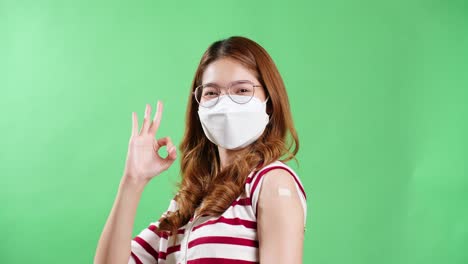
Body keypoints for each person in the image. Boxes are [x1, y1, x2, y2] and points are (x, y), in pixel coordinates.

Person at [94, 36, 307, 264]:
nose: (225, 105)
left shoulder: (273, 183)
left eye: (242, 90)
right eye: (212, 93)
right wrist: (132, 180)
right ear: (198, 105)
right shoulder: (186, 203)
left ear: (270, 103)